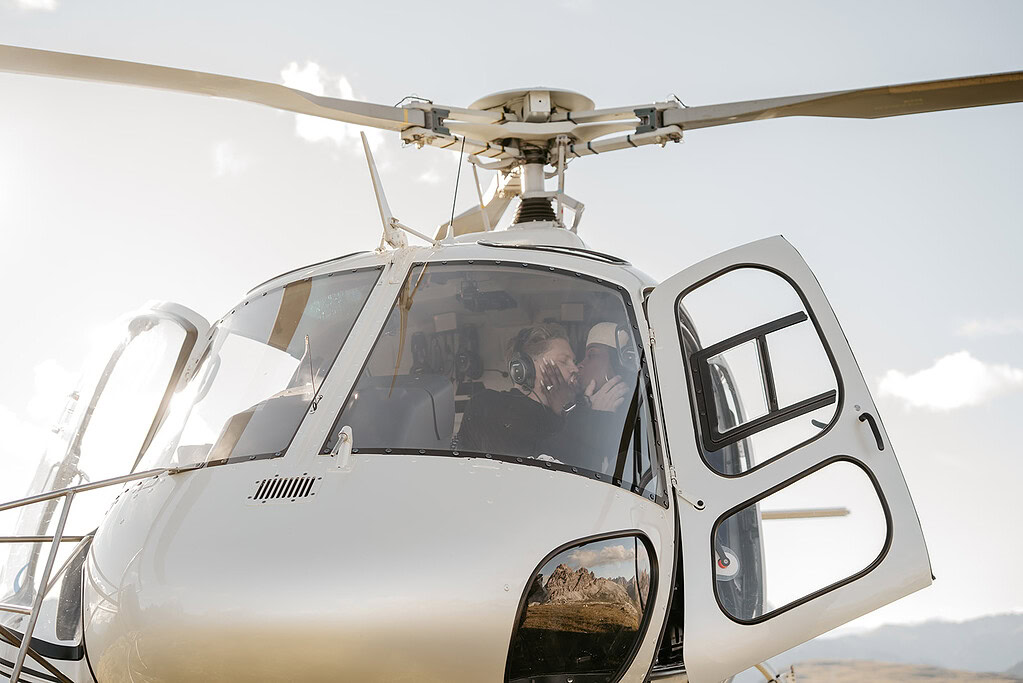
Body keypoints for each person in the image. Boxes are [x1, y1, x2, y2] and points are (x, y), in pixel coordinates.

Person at [455, 322, 633, 473]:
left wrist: (582, 414)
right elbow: (536, 470)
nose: (575, 368)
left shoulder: (570, 413)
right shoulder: (487, 405)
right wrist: (574, 412)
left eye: (573, 360)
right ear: (525, 368)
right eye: (564, 361)